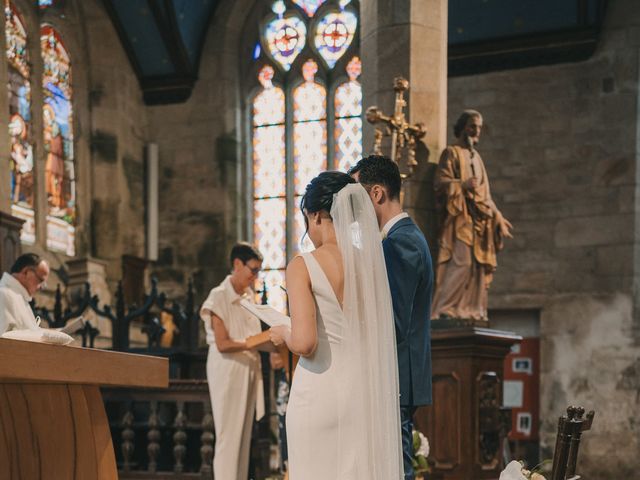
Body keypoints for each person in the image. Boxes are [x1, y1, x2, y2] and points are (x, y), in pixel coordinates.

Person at [269, 172, 403, 479]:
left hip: (319, 392)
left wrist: (283, 331)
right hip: (361, 393)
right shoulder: (369, 264)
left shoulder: (303, 265)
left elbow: (305, 343)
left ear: (315, 215)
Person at [349, 155, 434, 480]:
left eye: (356, 199)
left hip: (395, 375)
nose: (353, 212)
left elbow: (392, 321)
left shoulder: (401, 244)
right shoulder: (404, 239)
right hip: (397, 373)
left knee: (396, 469)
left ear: (376, 194)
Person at [431, 110, 513, 321]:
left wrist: (498, 216)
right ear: (462, 127)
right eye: (472, 126)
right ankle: (444, 308)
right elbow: (440, 182)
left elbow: (486, 195)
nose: (476, 131)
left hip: (481, 220)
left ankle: (470, 309)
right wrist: (462, 185)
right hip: (461, 218)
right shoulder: (451, 152)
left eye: (478, 127)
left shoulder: (477, 158)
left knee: (477, 266)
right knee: (462, 261)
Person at [200, 242, 264, 480]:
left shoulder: (249, 297)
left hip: (247, 367)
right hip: (227, 369)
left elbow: (255, 336)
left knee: (244, 437)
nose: (255, 276)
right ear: (237, 264)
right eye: (253, 270)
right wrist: (254, 342)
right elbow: (223, 343)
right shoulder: (218, 296)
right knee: (229, 435)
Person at [0, 253, 49, 334]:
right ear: (26, 272)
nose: (42, 287)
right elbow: (5, 341)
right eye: (40, 280)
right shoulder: (3, 294)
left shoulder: (20, 297)